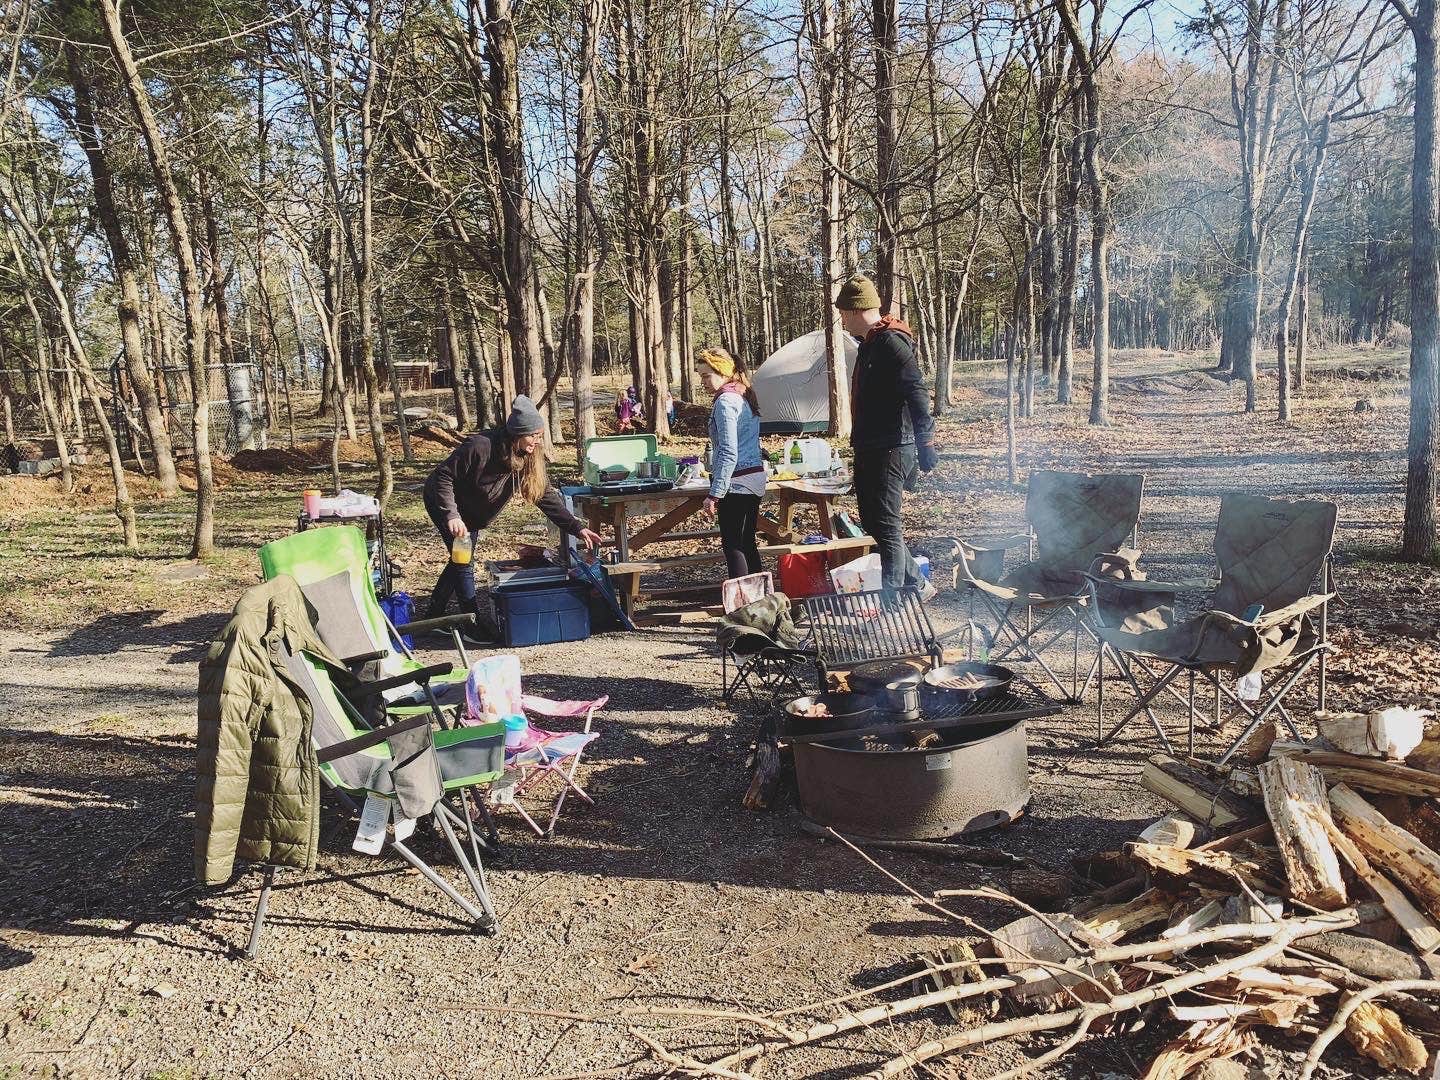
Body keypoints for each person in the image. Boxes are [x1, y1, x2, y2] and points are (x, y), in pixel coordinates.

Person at [424, 395, 603, 641]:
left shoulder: (527, 457)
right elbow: (444, 477)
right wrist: (452, 515)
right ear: (518, 432)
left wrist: (576, 527)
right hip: (444, 502)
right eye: (533, 435)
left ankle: (433, 617)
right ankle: (472, 623)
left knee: (459, 560)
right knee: (463, 561)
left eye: (540, 436)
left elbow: (544, 495)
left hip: (472, 512)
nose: (537, 441)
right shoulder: (481, 446)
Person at [834, 273, 938, 599]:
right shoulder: (871, 343)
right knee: (874, 522)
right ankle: (918, 586)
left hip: (892, 445)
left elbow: (917, 392)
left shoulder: (892, 342)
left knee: (888, 526)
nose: (841, 320)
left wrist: (926, 442)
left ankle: (893, 606)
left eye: (842, 314)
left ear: (855, 310)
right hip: (870, 445)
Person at [694, 346, 765, 580]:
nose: (702, 381)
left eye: (706, 375)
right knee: (747, 543)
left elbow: (727, 451)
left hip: (737, 482)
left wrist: (714, 494)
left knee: (734, 546)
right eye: (700, 375)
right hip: (753, 478)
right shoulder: (742, 394)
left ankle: (743, 604)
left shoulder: (725, 402)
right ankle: (760, 602)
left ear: (723, 372)